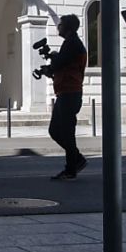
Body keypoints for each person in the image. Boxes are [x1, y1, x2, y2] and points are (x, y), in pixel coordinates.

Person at [48, 14, 88, 181]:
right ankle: (76, 159)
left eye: (61, 25)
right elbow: (63, 67)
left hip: (70, 94)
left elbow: (60, 64)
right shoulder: (70, 44)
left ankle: (71, 168)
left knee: (66, 132)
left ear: (69, 28)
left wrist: (52, 62)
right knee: (55, 130)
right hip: (65, 92)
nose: (59, 27)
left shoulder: (72, 44)